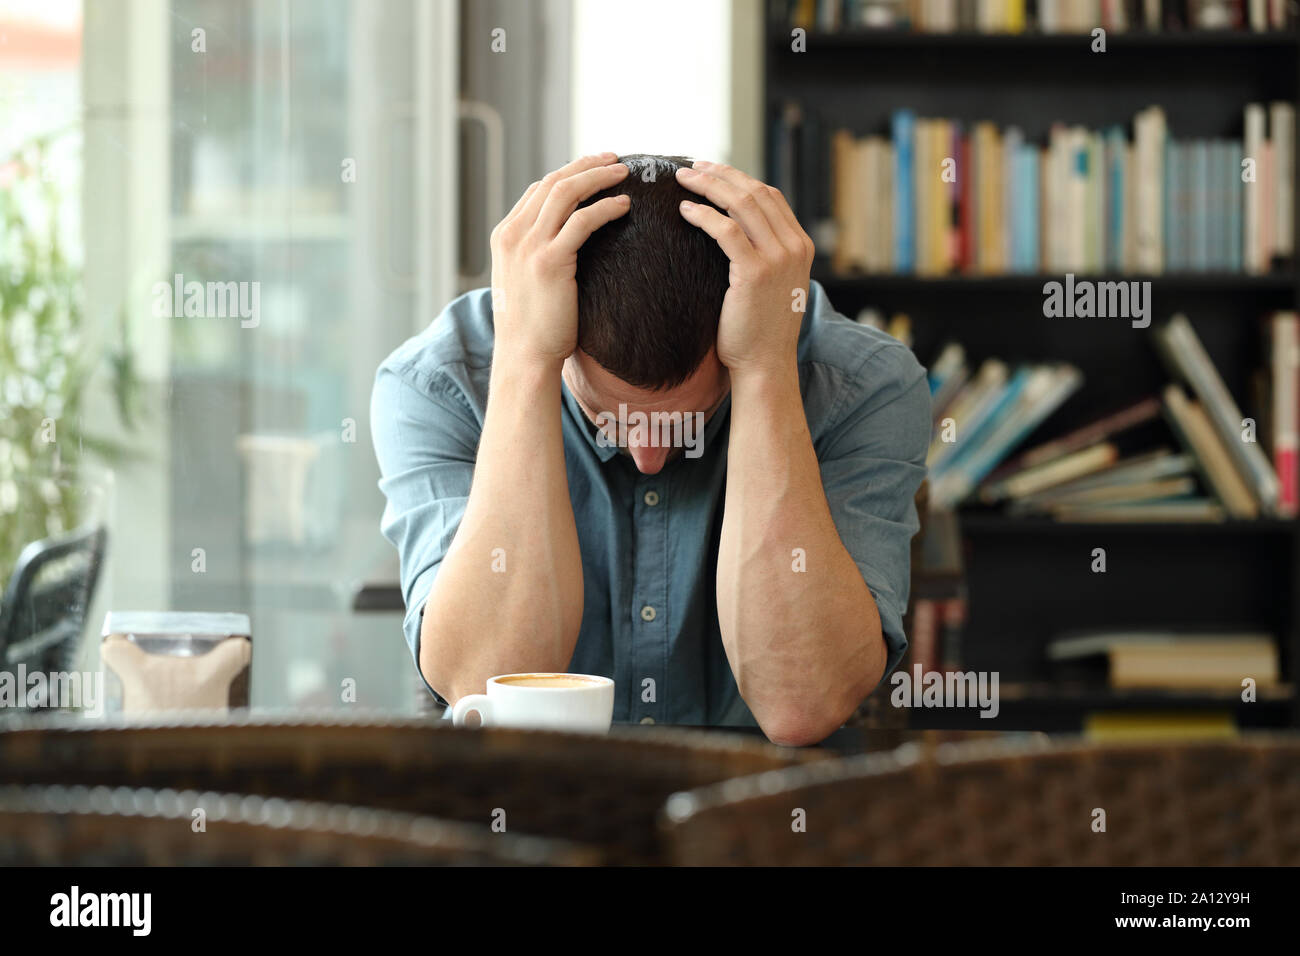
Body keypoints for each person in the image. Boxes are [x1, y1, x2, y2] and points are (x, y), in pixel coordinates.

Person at [371, 153, 930, 745]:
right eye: (607, 418)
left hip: (767, 812)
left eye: (689, 419)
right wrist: (526, 362)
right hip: (525, 810)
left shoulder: (862, 384)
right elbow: (485, 687)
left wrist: (764, 368)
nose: (648, 458)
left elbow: (803, 705)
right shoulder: (437, 384)